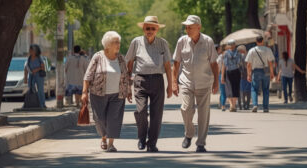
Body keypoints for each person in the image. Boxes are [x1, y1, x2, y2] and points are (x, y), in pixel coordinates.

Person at [126, 16, 173, 152]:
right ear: (143, 29)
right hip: (140, 80)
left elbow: (167, 65)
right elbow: (129, 62)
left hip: (158, 80)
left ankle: (152, 143)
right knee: (141, 111)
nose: (150, 31)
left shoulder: (163, 43)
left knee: (156, 115)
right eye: (147, 28)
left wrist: (171, 85)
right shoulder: (136, 42)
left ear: (157, 29)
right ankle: (141, 138)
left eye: (153, 28)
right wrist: (128, 85)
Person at [172, 15, 219, 153]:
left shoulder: (208, 41)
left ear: (198, 27)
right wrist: (174, 82)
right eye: (186, 27)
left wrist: (216, 81)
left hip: (204, 82)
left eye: (190, 27)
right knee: (185, 109)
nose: (187, 29)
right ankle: (189, 133)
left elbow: (214, 63)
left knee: (203, 114)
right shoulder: (182, 41)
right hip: (186, 82)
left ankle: (201, 143)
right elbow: (176, 63)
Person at [81, 31, 132, 152]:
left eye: (118, 42)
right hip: (98, 94)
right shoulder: (98, 57)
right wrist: (84, 92)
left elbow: (126, 76)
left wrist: (129, 91)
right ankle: (103, 137)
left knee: (114, 119)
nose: (118, 44)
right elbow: (88, 75)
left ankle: (111, 144)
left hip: (118, 94)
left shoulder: (121, 59)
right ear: (107, 44)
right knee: (100, 120)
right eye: (115, 42)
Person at [245, 36, 275, 113]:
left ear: (256, 41)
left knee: (254, 89)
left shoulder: (252, 50)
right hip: (266, 71)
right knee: (266, 89)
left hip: (256, 71)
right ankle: (265, 107)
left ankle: (255, 104)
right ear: (263, 41)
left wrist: (248, 74)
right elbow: (270, 63)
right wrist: (272, 73)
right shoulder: (268, 50)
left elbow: (248, 64)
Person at [221, 40, 241, 112]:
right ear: (235, 45)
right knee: (235, 88)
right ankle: (234, 105)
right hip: (236, 71)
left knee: (228, 88)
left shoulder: (225, 53)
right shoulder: (238, 53)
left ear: (229, 45)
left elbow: (224, 65)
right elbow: (239, 62)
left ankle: (231, 105)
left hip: (228, 71)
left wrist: (222, 76)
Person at [237, 45, 251, 110]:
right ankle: (247, 105)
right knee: (248, 91)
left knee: (241, 91)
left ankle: (240, 105)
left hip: (240, 76)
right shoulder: (247, 56)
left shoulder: (239, 57)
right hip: (247, 75)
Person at [216, 44, 227, 111]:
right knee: (224, 91)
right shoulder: (221, 57)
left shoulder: (220, 57)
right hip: (227, 75)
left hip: (221, 75)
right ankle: (222, 104)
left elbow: (218, 68)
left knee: (222, 91)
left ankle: (222, 104)